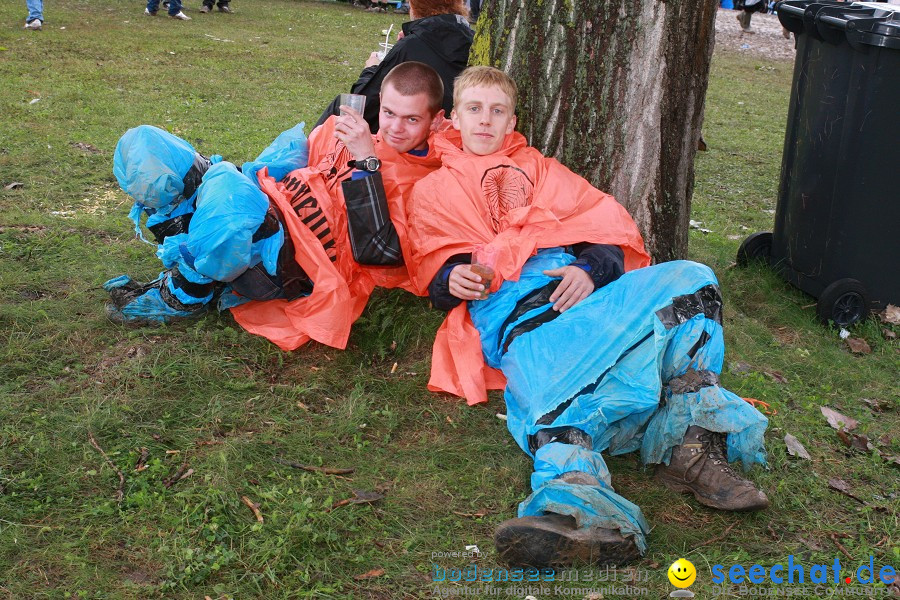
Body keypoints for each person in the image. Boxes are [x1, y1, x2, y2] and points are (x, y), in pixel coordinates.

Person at [405, 67, 770, 567]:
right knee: (553, 400)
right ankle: (580, 513)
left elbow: (604, 228)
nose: (485, 120)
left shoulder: (543, 172)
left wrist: (589, 269)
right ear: (454, 116)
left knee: (694, 280)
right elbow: (429, 262)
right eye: (474, 108)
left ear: (513, 119)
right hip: (526, 326)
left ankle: (692, 448)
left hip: (589, 306)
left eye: (497, 110)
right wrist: (451, 279)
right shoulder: (432, 190)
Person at [106, 62, 447, 352]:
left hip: (289, 259)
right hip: (265, 203)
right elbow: (302, 159)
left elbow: (378, 252)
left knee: (226, 188)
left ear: (435, 120)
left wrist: (366, 164)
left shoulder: (426, 183)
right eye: (388, 113)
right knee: (148, 144)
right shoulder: (358, 134)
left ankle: (186, 295)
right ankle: (187, 249)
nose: (395, 128)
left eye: (412, 119)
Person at [316, 0, 472, 133]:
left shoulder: (411, 45)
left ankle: (312, 158)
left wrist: (370, 68)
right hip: (451, 128)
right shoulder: (472, 40)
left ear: (414, 5)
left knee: (342, 105)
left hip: (414, 132)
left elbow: (364, 102)